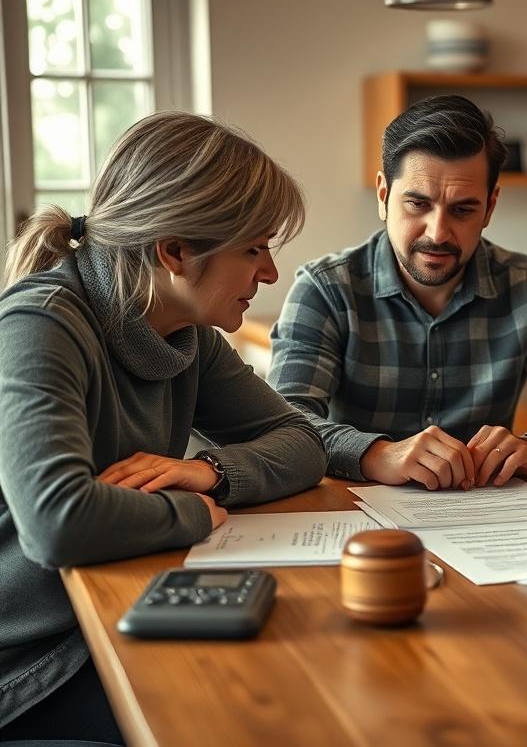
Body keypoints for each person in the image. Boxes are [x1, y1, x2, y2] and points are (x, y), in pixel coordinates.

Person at [0, 112, 327, 741]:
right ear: (174, 251)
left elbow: (303, 442)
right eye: (254, 249)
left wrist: (212, 471)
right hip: (31, 672)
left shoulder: (185, 334)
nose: (270, 274)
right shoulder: (41, 323)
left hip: (112, 614)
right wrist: (196, 511)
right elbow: (56, 522)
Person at [268, 95, 527, 491]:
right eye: (418, 204)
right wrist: (376, 454)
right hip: (354, 522)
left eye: (462, 210)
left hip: (484, 521)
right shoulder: (324, 290)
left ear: (489, 208)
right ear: (384, 195)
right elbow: (286, 424)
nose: (437, 233)